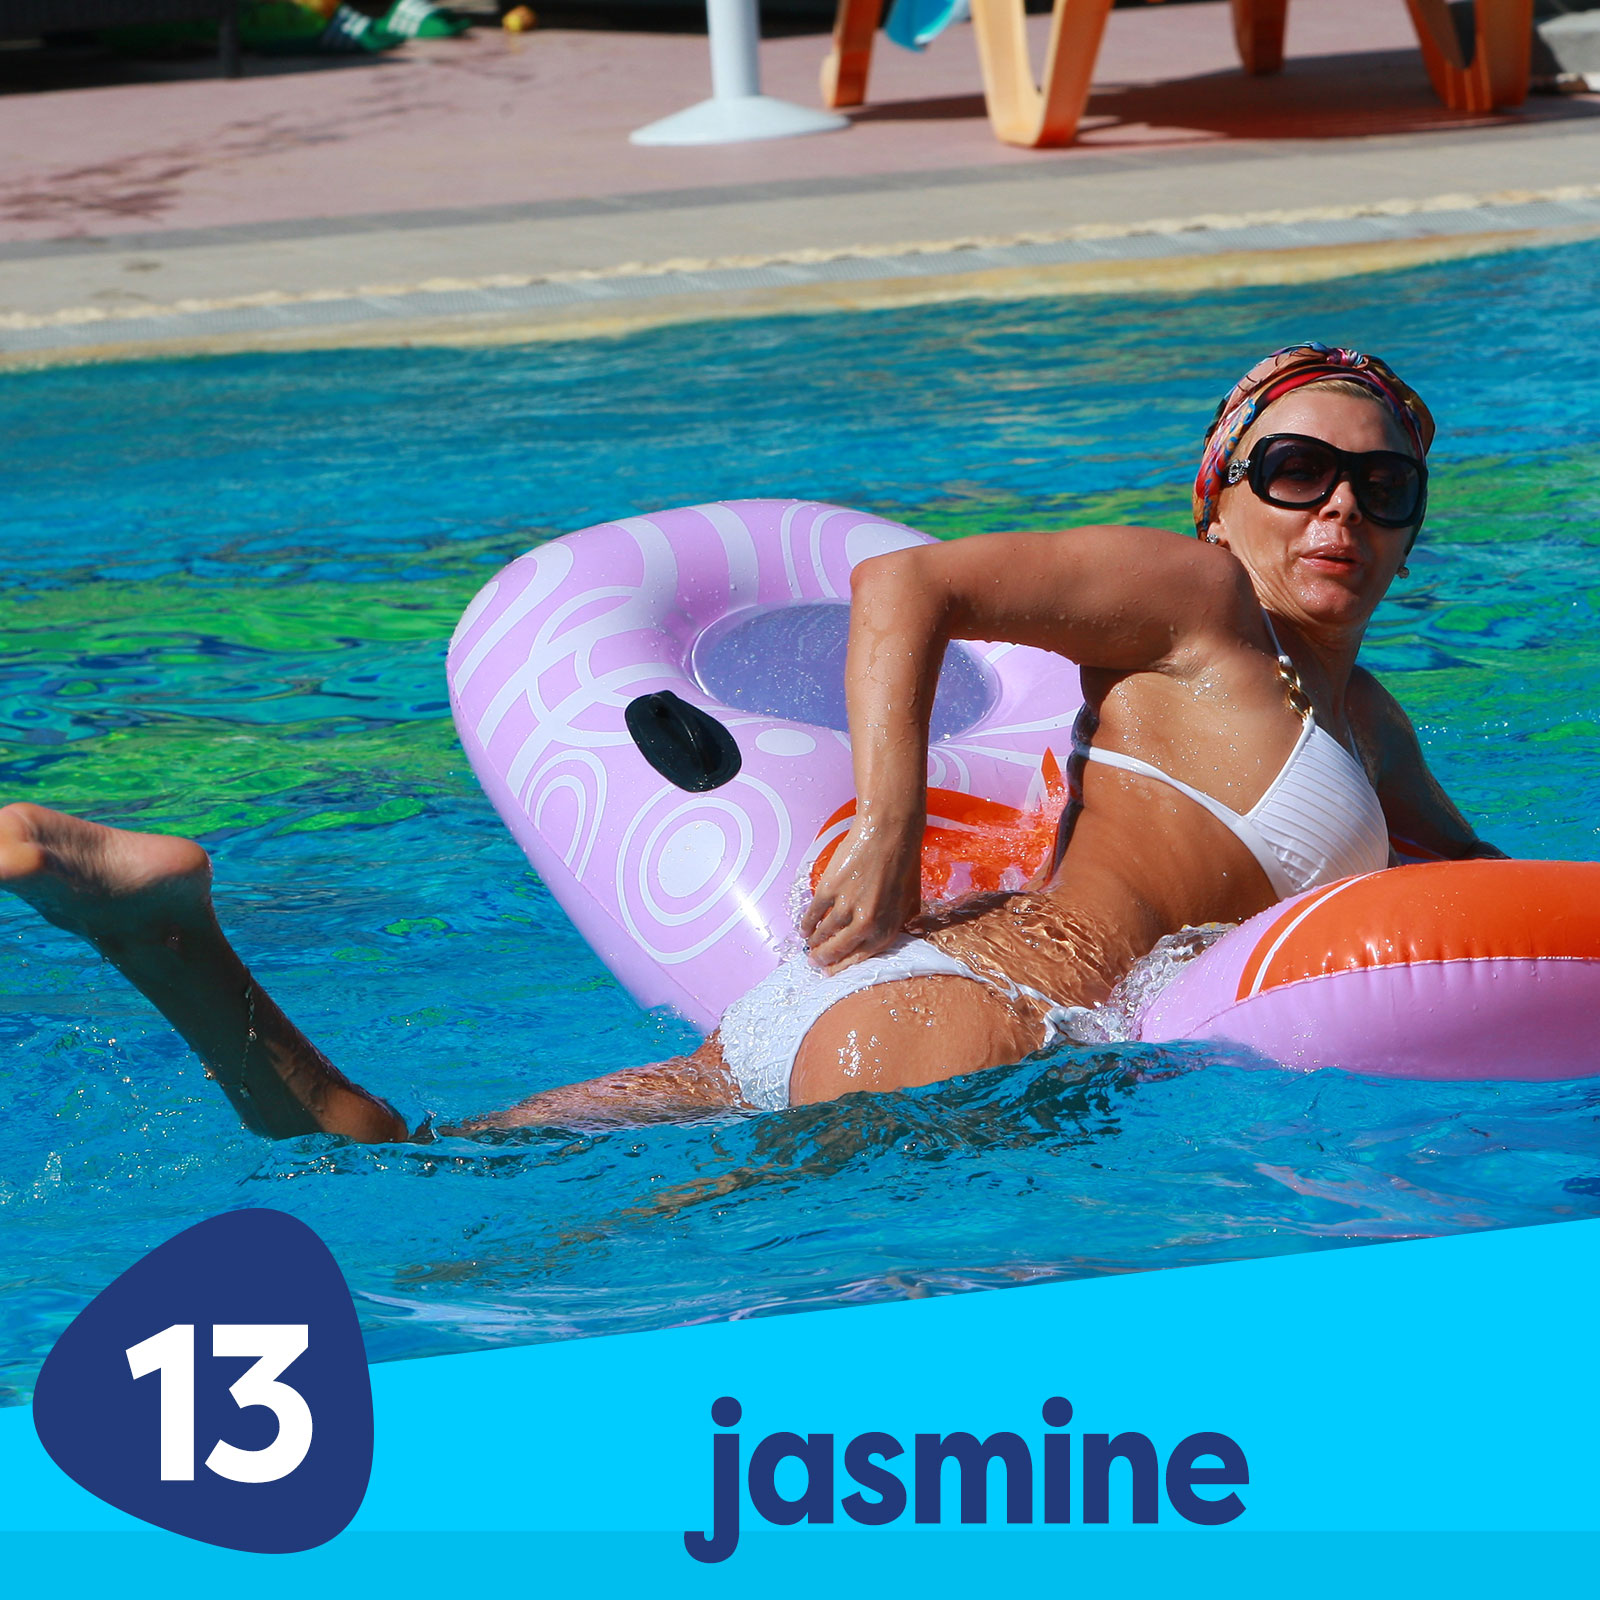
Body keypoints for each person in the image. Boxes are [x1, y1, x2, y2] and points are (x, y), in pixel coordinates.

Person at [0, 344, 1504, 1145]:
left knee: (413, 1165)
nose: (1340, 510)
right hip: (990, 1012)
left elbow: (1499, 897)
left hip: (873, 1011)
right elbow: (903, 586)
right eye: (1296, 469)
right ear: (1217, 493)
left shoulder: (1367, 727)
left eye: (1385, 489)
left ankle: (164, 929)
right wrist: (893, 832)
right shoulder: (1196, 604)